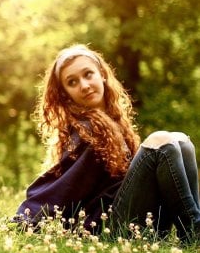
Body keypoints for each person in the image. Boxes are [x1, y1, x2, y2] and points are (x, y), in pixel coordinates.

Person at [13, 44, 200, 242]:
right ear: (65, 93)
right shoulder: (85, 131)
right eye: (72, 82)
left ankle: (192, 230)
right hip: (110, 228)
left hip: (141, 220)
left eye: (88, 74)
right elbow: (63, 185)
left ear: (102, 74)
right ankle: (194, 233)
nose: (84, 85)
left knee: (180, 139)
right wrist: (25, 218)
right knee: (160, 140)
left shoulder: (113, 122)